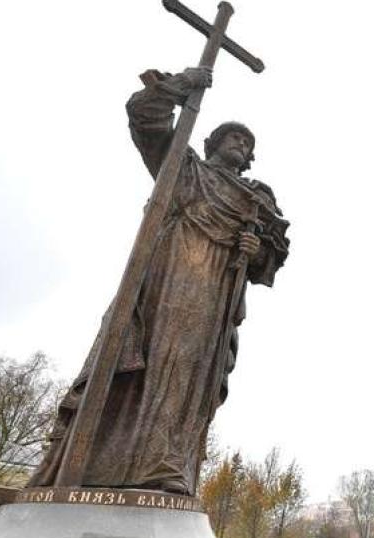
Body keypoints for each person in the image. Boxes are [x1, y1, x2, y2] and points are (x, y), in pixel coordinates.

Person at [28, 67, 290, 496]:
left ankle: (164, 462)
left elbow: (271, 257)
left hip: (212, 294)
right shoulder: (185, 169)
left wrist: (254, 247)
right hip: (164, 281)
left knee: (187, 372)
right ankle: (94, 459)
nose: (241, 146)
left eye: (247, 144)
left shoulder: (254, 198)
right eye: (233, 137)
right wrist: (183, 84)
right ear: (211, 143)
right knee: (137, 360)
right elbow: (145, 119)